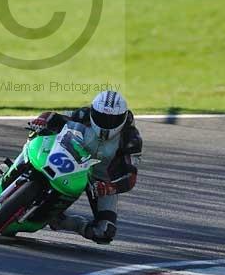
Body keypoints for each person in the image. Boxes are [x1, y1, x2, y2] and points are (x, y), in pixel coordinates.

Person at [28, 90, 143, 244]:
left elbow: (130, 177)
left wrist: (110, 187)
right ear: (93, 111)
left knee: (105, 231)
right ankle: (20, 167)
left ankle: (69, 223)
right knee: (38, 135)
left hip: (99, 180)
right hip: (70, 156)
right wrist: (42, 119)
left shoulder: (131, 138)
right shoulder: (84, 114)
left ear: (123, 117)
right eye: (102, 117)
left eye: (112, 120)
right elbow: (54, 116)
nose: (106, 124)